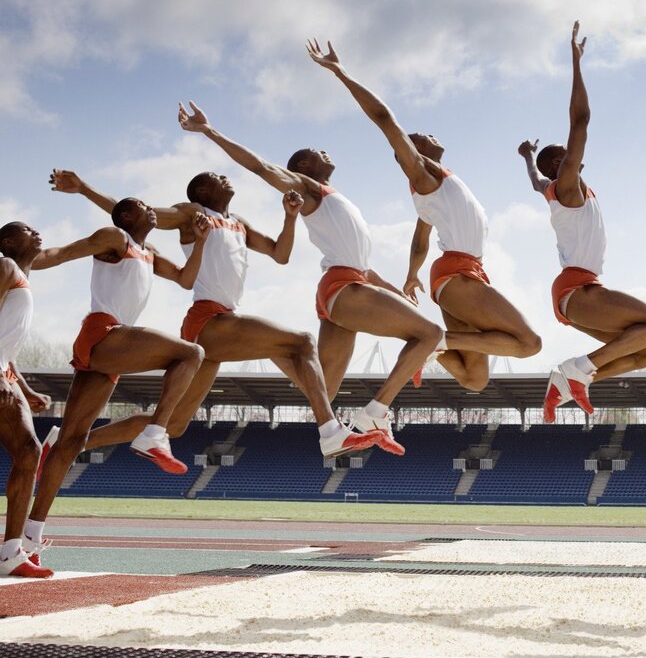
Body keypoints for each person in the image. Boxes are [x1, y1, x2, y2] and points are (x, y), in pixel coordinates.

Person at [49, 169, 378, 460]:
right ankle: (330, 431)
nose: (226, 178)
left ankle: (68, 444)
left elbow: (281, 254)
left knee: (174, 425)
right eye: (217, 178)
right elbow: (140, 215)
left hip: (221, 324)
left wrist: (290, 217)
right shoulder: (193, 213)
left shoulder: (239, 223)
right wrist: (85, 189)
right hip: (209, 320)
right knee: (302, 341)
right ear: (204, 192)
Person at [178, 102, 442, 449]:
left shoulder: (337, 200)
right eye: (317, 151)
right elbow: (259, 166)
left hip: (348, 283)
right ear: (303, 166)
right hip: (343, 287)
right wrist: (209, 131)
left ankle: (272, 347)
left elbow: (364, 266)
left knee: (323, 388)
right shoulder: (308, 187)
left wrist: (397, 292)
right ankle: (375, 413)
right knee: (431, 333)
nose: (326, 151)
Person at [306, 40, 541, 393]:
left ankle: (434, 344)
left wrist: (411, 276)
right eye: (421, 137)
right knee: (528, 343)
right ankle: (433, 341)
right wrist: (342, 73)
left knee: (474, 379)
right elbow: (385, 120)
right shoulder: (424, 176)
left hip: (456, 272)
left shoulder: (432, 195)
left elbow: (421, 237)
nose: (431, 135)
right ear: (413, 151)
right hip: (458, 273)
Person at [25, 199, 211, 566]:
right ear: (127, 217)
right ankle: (155, 433)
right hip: (104, 331)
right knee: (192, 353)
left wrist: (201, 241)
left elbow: (186, 279)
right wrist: (16, 265)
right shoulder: (115, 237)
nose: (153, 209)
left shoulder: (149, 251)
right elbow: (61, 253)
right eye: (144, 206)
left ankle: (30, 535)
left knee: (72, 442)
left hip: (112, 349)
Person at [518, 23, 646, 421]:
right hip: (578, 287)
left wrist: (527, 158)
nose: (575, 154)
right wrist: (576, 62)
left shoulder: (555, 189)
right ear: (560, 164)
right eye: (566, 154)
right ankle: (575, 370)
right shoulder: (567, 186)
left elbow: (535, 182)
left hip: (576, 292)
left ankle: (575, 379)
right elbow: (581, 120)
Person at [0, 223, 54, 577]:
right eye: (27, 230)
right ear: (7, 241)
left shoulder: (21, 275)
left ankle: (10, 553)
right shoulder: (3, 265)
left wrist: (24, 386)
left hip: (4, 371)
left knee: (29, 451)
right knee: (28, 450)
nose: (37, 232)